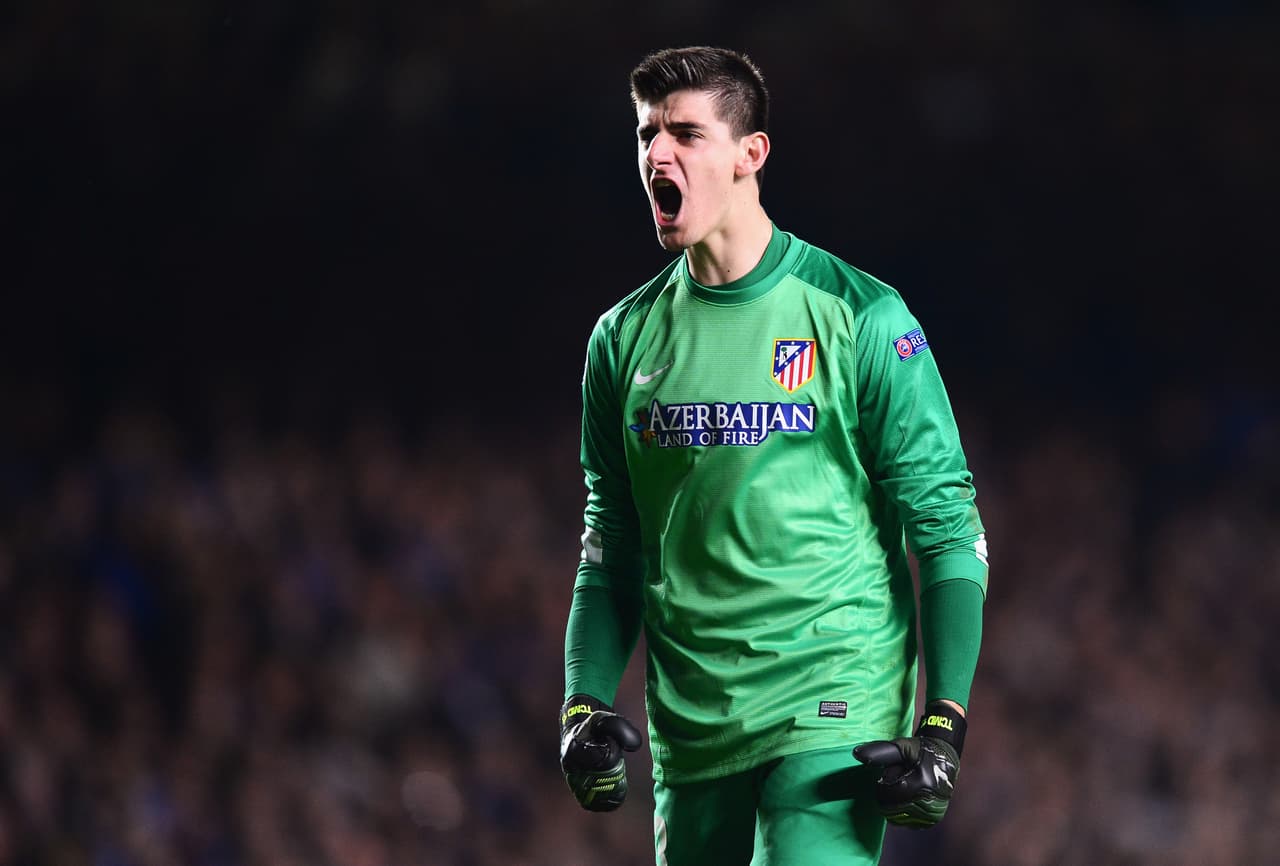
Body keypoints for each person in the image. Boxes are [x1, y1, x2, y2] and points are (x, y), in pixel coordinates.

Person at [558, 45, 988, 866]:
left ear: (751, 154)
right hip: (693, 725)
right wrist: (581, 705)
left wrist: (945, 722)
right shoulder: (621, 340)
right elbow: (610, 545)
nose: (656, 153)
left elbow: (946, 527)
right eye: (647, 133)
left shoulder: (860, 314)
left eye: (685, 133)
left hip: (833, 700)